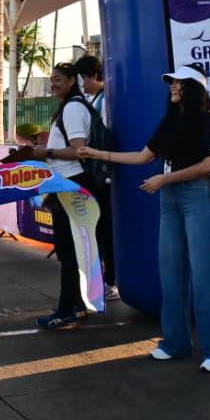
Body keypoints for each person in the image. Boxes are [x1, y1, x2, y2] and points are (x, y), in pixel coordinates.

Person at [78, 64, 210, 373]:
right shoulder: (170, 120)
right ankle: (175, 343)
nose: (172, 87)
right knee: (171, 272)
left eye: (179, 82)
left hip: (198, 197)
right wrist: (97, 154)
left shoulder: (205, 119)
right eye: (171, 82)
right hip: (171, 199)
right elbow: (142, 157)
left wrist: (166, 180)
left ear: (194, 87)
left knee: (206, 276)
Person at [5, 62, 97, 330]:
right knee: (71, 250)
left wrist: (43, 153)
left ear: (72, 80)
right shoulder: (72, 107)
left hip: (72, 183)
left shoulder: (73, 108)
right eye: (52, 80)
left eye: (58, 79)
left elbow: (80, 151)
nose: (53, 84)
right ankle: (76, 306)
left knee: (68, 251)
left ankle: (67, 311)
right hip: (66, 184)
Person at [73, 54, 118, 301]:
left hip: (104, 175)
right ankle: (107, 277)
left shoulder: (105, 102)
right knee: (102, 229)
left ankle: (111, 279)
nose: (83, 86)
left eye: (82, 80)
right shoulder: (98, 100)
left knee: (105, 229)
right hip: (102, 174)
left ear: (90, 76)